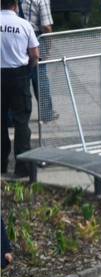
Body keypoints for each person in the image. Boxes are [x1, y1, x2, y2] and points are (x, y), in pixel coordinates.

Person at [1, 0, 39, 178]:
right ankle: (22, 167)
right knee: (21, 121)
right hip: (19, 75)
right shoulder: (24, 25)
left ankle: (1, 163)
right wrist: (29, 68)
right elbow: (35, 54)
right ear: (16, 6)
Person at [20, 0, 56, 123]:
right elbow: (46, 26)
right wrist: (48, 45)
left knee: (17, 77)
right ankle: (46, 114)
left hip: (16, 39)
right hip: (35, 39)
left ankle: (11, 116)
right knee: (40, 79)